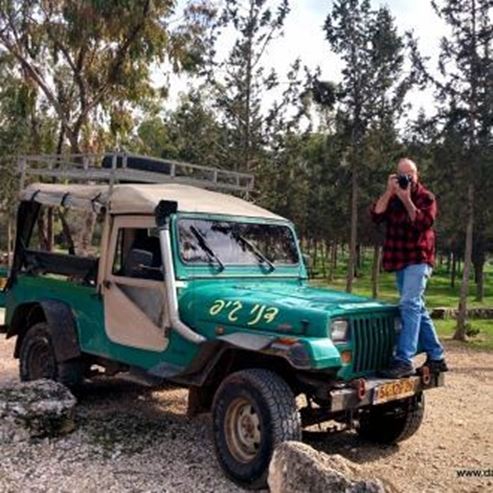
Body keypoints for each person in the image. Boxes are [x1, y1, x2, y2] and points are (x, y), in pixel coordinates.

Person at [371, 158, 448, 378]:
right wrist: (389, 192)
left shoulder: (426, 198)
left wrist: (406, 200)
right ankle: (436, 356)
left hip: (419, 258)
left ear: (417, 175)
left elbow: (422, 223)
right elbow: (376, 215)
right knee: (417, 307)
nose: (407, 178)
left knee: (409, 304)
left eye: (410, 174)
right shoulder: (392, 199)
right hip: (400, 259)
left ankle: (404, 359)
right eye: (402, 174)